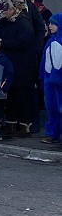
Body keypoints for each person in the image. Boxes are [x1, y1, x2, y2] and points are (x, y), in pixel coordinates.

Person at [0, 0, 38, 136]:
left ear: (14, 9)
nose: (3, 11)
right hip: (8, 63)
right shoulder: (3, 22)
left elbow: (24, 42)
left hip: (23, 64)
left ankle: (25, 125)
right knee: (10, 94)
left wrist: (2, 43)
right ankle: (11, 124)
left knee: (22, 94)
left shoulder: (24, 22)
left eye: (6, 8)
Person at [39, 13, 62, 144]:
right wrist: (42, 76)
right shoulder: (50, 41)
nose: (50, 26)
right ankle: (52, 133)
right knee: (51, 108)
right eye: (49, 23)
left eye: (53, 23)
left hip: (59, 83)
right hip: (49, 82)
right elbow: (44, 60)